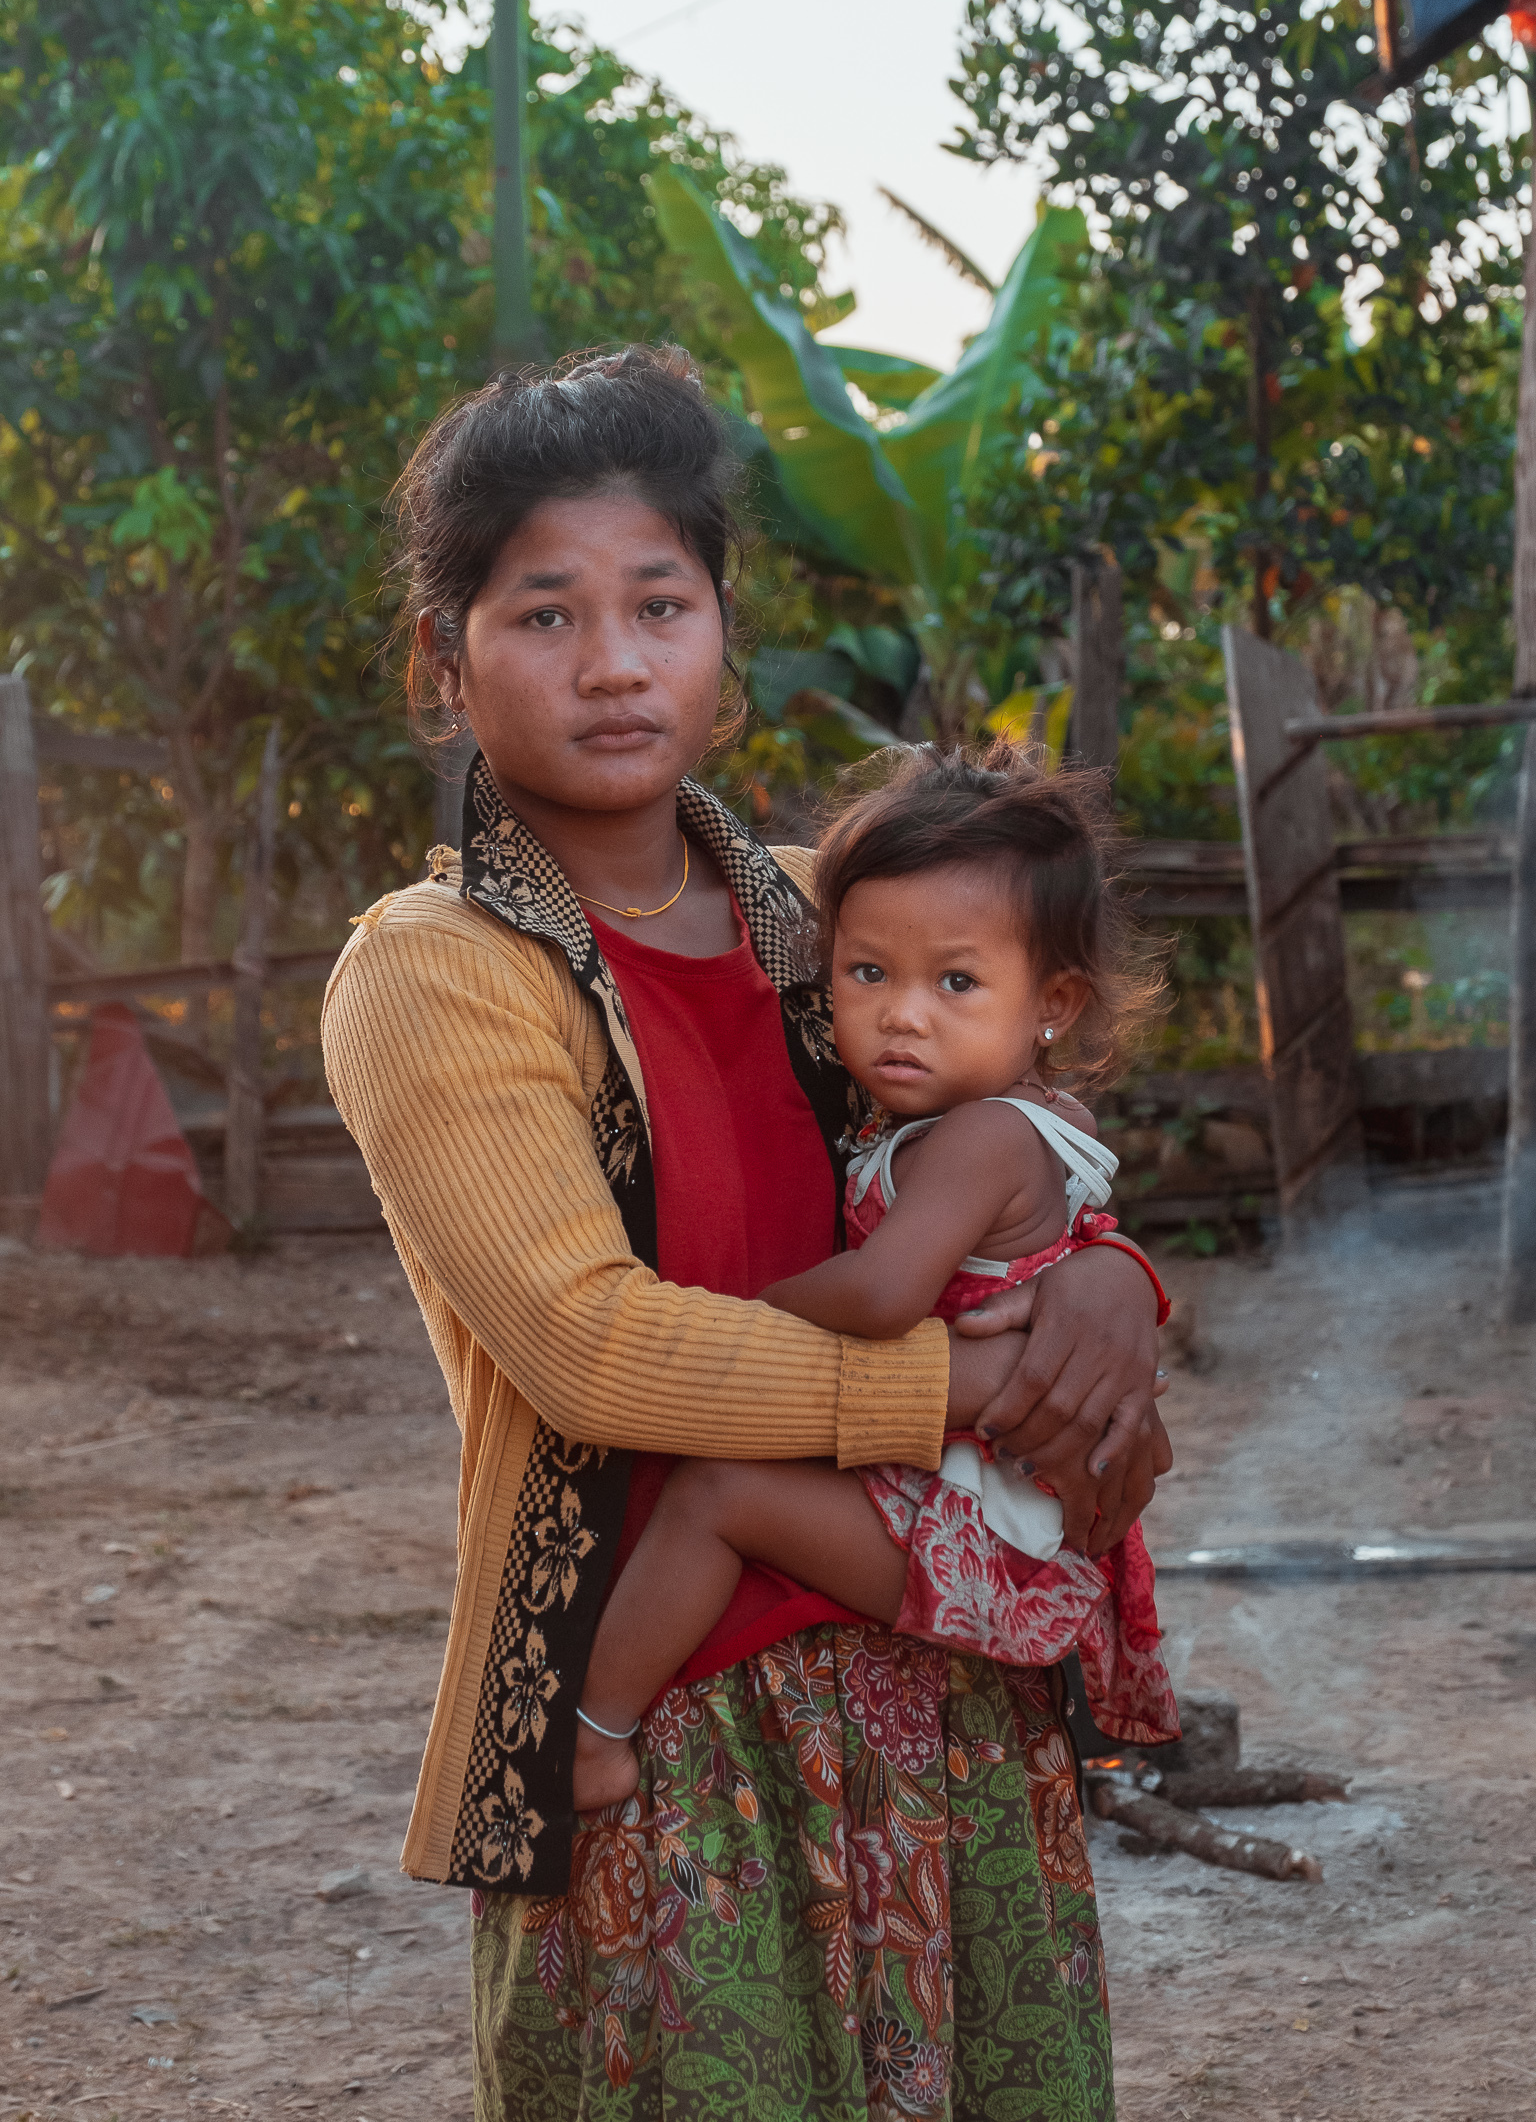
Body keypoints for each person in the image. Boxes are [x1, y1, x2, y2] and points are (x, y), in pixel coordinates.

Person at [322, 344, 1173, 2122]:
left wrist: (1109, 1279)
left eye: (661, 602)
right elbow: (590, 1341)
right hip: (658, 1709)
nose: (616, 661)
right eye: (545, 613)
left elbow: (1014, 1131)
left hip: (933, 1681)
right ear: (442, 657)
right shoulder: (438, 966)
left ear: (723, 627)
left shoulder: (828, 912)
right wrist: (957, 1385)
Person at [572, 742, 1177, 1814]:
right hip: (995, 1512)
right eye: (868, 974)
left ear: (1055, 1002)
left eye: (956, 981)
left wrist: (751, 1315)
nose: (904, 1014)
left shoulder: (981, 1138)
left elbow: (885, 1296)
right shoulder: (1019, 1116)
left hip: (995, 1543)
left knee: (715, 1497)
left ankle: (590, 1735)